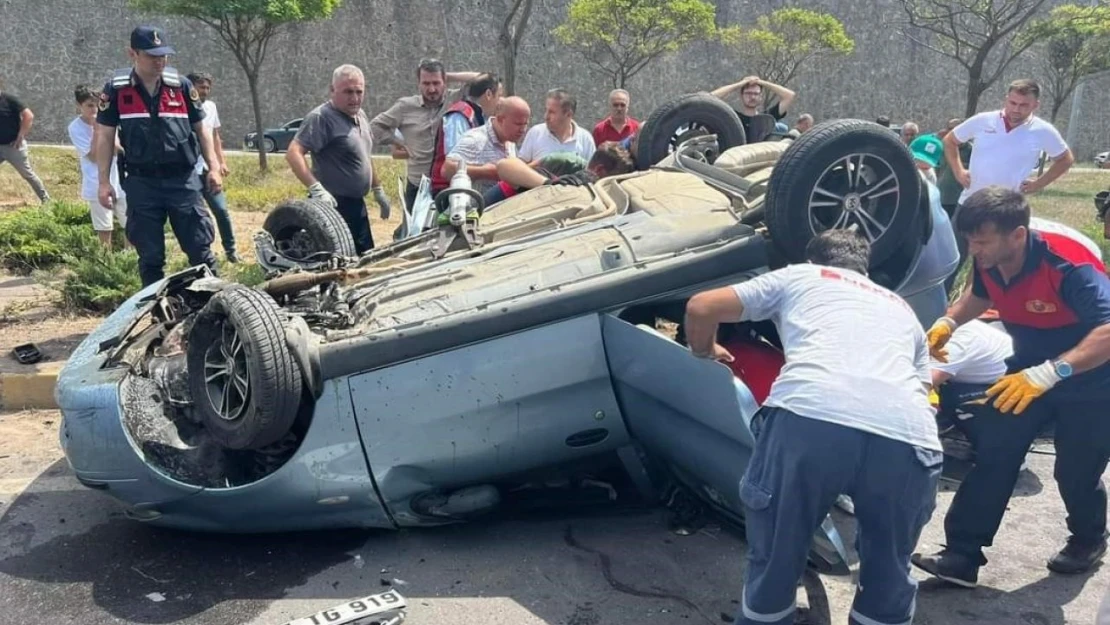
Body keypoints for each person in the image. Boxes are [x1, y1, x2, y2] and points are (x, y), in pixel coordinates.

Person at [685, 229, 942, 625]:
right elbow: (923, 388)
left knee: (777, 555)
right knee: (888, 569)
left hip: (811, 417)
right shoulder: (902, 308)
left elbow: (702, 307)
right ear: (864, 268)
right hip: (909, 435)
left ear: (811, 259)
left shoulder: (801, 276)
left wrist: (705, 349)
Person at [913, 187, 1110, 588]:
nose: (974, 250)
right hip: (1025, 371)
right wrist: (949, 322)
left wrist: (1051, 374)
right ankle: (961, 556)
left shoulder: (1068, 266)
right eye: (969, 240)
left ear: (1017, 235)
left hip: (1092, 380)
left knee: (1075, 471)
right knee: (995, 453)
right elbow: (979, 294)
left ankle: (1089, 538)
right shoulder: (989, 257)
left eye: (981, 241)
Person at [95, 26, 220, 287]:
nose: (159, 61)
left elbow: (203, 129)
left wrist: (215, 166)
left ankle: (215, 306)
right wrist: (104, 182)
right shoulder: (116, 90)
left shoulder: (181, 86)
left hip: (183, 181)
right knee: (150, 257)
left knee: (200, 250)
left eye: (163, 55)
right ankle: (158, 314)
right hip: (143, 183)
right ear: (133, 53)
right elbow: (105, 136)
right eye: (152, 55)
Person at [286, 64, 385, 254]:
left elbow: (364, 155)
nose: (355, 98)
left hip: (357, 206)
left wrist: (378, 189)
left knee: (365, 257)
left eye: (359, 92)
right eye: (348, 92)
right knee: (338, 264)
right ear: (332, 90)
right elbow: (293, 153)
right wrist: (316, 189)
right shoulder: (321, 117)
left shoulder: (360, 115)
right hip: (333, 205)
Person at [370, 60, 480, 211]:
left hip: (449, 185)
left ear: (444, 82)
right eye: (426, 83)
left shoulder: (455, 99)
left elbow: (482, 78)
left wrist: (449, 76)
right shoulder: (405, 106)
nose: (432, 89)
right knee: (414, 232)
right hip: (418, 186)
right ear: (419, 84)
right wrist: (397, 141)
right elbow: (374, 128)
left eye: (436, 82)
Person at [187, 71, 238, 263]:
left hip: (209, 170)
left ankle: (231, 250)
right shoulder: (181, 108)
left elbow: (215, 136)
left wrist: (221, 162)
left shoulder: (211, 107)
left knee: (221, 210)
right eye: (201, 87)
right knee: (197, 215)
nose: (205, 91)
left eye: (208, 88)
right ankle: (203, 255)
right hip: (189, 170)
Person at [486, 141, 636, 204]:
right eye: (609, 180)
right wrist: (549, 185)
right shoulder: (558, 180)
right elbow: (504, 165)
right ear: (599, 170)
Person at [68, 85, 126, 248]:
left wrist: (108, 132)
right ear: (79, 106)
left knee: (130, 224)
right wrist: (97, 130)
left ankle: (130, 263)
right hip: (95, 182)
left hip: (121, 179)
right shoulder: (75, 127)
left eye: (97, 105)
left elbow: (119, 151)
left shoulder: (111, 120)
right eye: (89, 105)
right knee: (104, 227)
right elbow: (93, 157)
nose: (94, 109)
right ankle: (106, 263)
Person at [427, 72, 502, 196]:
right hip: (449, 192)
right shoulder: (460, 116)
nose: (500, 102)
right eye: (499, 96)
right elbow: (456, 159)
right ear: (489, 94)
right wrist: (488, 170)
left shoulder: (479, 117)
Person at [441, 96, 531, 193]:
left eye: (525, 124)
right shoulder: (476, 140)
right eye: (518, 124)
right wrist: (483, 172)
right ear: (500, 119)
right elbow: (446, 170)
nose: (523, 130)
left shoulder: (509, 142)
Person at [0, 83, 49, 204]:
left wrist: (21, 136)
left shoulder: (9, 100)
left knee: (27, 174)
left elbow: (29, 115)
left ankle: (46, 201)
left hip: (13, 146)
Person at [518, 89, 595, 163]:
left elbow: (592, 173)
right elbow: (521, 166)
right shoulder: (535, 133)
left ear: (568, 114)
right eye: (546, 110)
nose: (546, 116)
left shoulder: (585, 139)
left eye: (552, 112)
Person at [711, 76, 796, 142]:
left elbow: (789, 95)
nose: (752, 97)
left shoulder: (768, 118)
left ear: (761, 97)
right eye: (748, 93)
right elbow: (709, 98)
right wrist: (740, 84)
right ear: (741, 96)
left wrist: (761, 82)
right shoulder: (733, 117)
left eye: (756, 94)